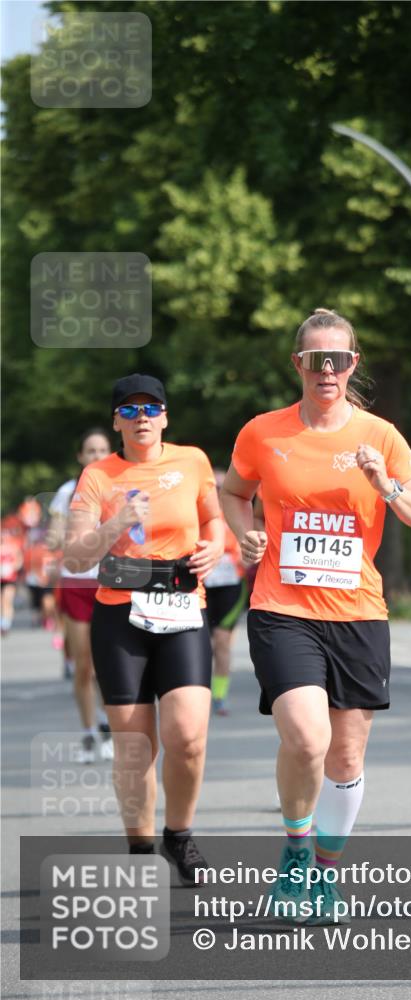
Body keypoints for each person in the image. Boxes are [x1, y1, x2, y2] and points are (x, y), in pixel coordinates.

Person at [222, 308, 411, 924]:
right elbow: (233, 492)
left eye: (337, 359)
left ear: (352, 364)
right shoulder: (264, 432)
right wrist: (246, 533)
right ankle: (295, 852)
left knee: (345, 757)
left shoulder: (381, 436)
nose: (326, 370)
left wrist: (386, 485)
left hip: (358, 612)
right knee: (307, 737)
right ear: (298, 364)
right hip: (282, 607)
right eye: (315, 359)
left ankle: (324, 872)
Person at [64, 374, 223, 885]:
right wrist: (116, 523)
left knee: (188, 737)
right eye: (129, 411)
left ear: (165, 416)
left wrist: (215, 547)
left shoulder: (193, 461)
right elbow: (76, 554)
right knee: (136, 747)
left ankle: (179, 835)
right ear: (116, 422)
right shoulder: (97, 477)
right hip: (121, 614)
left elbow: (215, 521)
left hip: (181, 607)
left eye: (150, 408)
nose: (141, 419)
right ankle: (139, 846)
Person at [47, 428, 113, 763]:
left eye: (102, 450)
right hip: (76, 584)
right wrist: (58, 534)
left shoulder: (119, 487)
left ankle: (108, 724)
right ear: (80, 457)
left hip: (111, 581)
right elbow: (55, 539)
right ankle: (89, 733)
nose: (97, 456)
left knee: (108, 665)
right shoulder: (67, 492)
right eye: (90, 451)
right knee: (84, 665)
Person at [204, 469, 248, 715]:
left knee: (221, 641)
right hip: (203, 587)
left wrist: (245, 554)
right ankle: (198, 694)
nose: (219, 493)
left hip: (231, 586)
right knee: (202, 645)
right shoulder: (199, 514)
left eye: (223, 488)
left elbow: (248, 545)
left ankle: (219, 696)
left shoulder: (236, 513)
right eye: (215, 488)